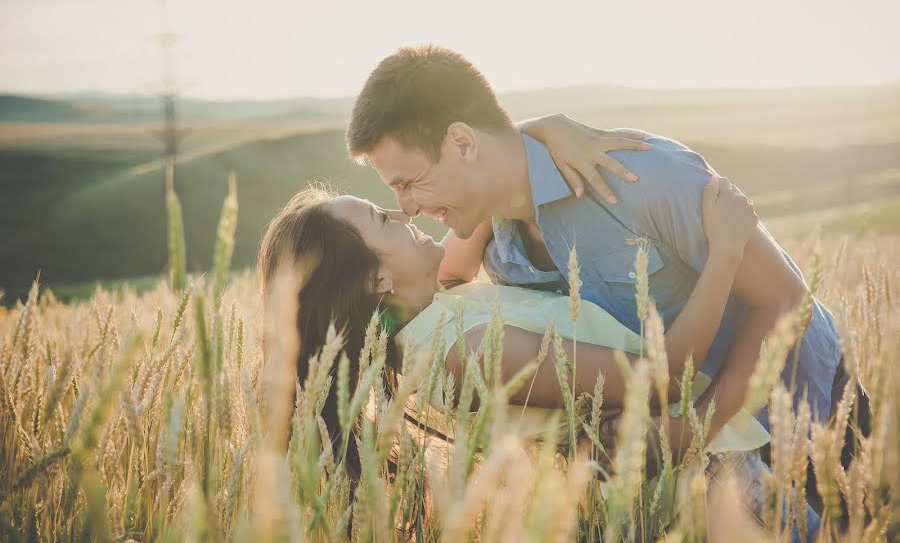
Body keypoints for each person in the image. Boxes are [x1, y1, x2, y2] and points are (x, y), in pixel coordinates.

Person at [256, 178, 817, 537]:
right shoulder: (461, 352)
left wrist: (551, 131)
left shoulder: (433, 314)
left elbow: (488, 183)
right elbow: (664, 378)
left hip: (708, 455)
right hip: (712, 483)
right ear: (377, 277)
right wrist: (726, 251)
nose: (405, 215)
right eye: (385, 220)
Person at [344, 45, 845, 442]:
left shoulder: (642, 176)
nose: (406, 208)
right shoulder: (483, 223)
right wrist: (541, 127)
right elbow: (439, 287)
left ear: (462, 143)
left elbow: (784, 299)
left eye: (409, 183)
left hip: (807, 414)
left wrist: (697, 426)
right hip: (694, 471)